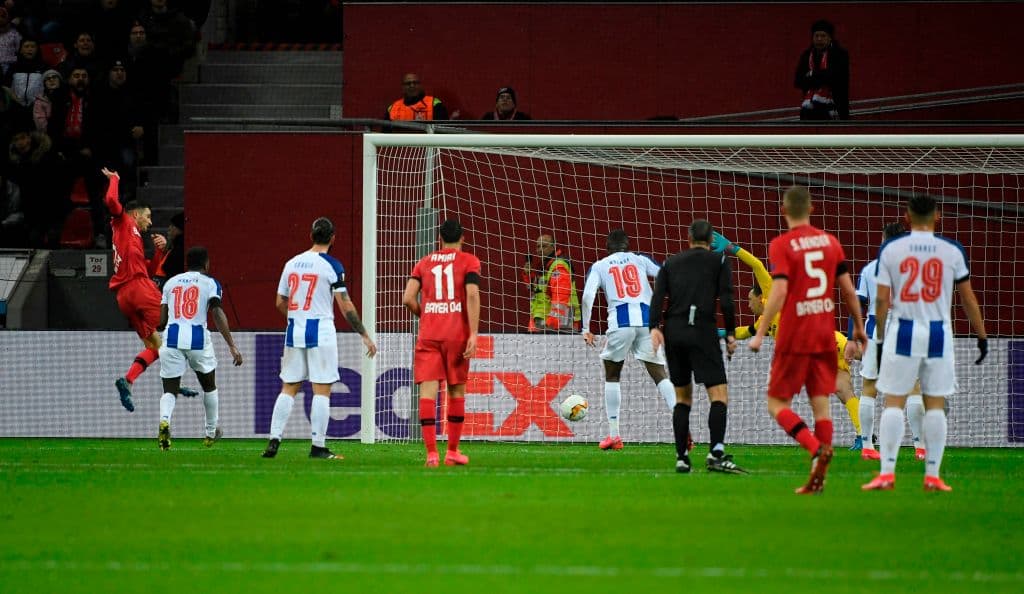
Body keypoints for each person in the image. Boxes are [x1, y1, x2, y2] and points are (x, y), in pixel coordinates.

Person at [862, 195, 987, 492]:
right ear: (937, 216)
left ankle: (887, 473)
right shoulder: (952, 250)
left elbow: (881, 299)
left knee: (893, 400)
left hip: (903, 328)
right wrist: (981, 335)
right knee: (934, 403)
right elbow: (968, 298)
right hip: (938, 333)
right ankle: (932, 475)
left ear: (907, 216)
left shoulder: (892, 249)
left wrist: (878, 337)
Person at [749, 186, 867, 494]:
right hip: (825, 334)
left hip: (795, 334)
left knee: (776, 404)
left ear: (784, 211)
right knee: (821, 406)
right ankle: (819, 477)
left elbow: (780, 290)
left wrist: (760, 333)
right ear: (812, 209)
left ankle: (816, 449)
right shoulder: (830, 243)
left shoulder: (782, 245)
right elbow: (847, 290)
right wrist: (859, 326)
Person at [711, 231, 863, 449]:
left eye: (749, 300)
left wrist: (731, 248)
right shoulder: (765, 321)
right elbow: (744, 332)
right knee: (843, 391)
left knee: (868, 358)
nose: (748, 305)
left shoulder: (770, 292)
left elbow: (756, 265)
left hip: (825, 339)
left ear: (758, 296)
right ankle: (864, 437)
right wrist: (716, 333)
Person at [262, 217, 377, 460]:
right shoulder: (332, 266)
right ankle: (318, 446)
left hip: (294, 330)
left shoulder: (291, 263)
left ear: (311, 235)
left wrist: (297, 317)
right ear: (333, 238)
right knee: (321, 390)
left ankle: (274, 439)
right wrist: (364, 334)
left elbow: (279, 302)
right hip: (321, 331)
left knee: (289, 387)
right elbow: (345, 305)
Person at [650, 219, 745, 474]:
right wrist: (731, 335)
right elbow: (726, 299)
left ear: (689, 238)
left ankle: (682, 458)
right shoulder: (720, 261)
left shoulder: (671, 262)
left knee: (683, 398)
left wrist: (654, 328)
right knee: (719, 395)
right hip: (703, 329)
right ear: (711, 239)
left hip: (674, 331)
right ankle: (716, 452)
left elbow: (658, 296)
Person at [105, 168, 197, 411]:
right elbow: (111, 201)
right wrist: (115, 178)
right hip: (138, 288)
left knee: (155, 346)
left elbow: (152, 269)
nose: (150, 221)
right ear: (135, 214)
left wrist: (160, 251)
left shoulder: (129, 237)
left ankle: (127, 380)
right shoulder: (124, 221)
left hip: (124, 296)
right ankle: (173, 382)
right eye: (147, 216)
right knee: (176, 328)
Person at [581, 229, 678, 451]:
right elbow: (665, 274)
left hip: (620, 322)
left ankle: (614, 435)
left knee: (612, 374)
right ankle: (682, 425)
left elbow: (587, 296)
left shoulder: (600, 265)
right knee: (659, 373)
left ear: (607, 248)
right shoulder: (640, 259)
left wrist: (586, 328)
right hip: (647, 322)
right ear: (628, 246)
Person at [402, 219, 481, 467]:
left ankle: (431, 455)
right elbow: (471, 293)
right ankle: (453, 452)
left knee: (427, 393)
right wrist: (474, 333)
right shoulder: (469, 260)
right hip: (456, 333)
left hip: (429, 334)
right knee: (456, 390)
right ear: (463, 238)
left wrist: (426, 314)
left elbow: (407, 298)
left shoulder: (424, 262)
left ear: (439, 239)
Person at [156, 246, 243, 450]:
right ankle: (210, 433)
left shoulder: (170, 283)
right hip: (197, 339)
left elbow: (161, 320)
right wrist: (231, 345)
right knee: (209, 385)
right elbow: (217, 312)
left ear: (187, 264)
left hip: (171, 338)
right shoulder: (210, 283)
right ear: (206, 264)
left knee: (169, 388)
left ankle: (165, 421)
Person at [853, 222, 927, 461]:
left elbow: (858, 304)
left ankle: (867, 446)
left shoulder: (870, 269)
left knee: (870, 386)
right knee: (913, 386)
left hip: (877, 329)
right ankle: (920, 447)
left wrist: (853, 337)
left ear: (884, 241)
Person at [522, 233, 580, 333]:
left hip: (559, 323)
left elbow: (561, 296)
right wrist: (528, 276)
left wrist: (552, 322)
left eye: (544, 246)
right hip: (544, 320)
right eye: (538, 246)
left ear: (553, 247)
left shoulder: (558, 266)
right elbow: (536, 292)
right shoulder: (544, 267)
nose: (540, 249)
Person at [794, 19, 850, 121]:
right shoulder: (806, 55)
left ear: (830, 38)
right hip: (808, 110)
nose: (819, 39)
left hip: (834, 109)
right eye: (816, 36)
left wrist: (812, 74)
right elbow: (798, 81)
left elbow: (836, 78)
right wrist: (822, 76)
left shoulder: (840, 54)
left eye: (823, 36)